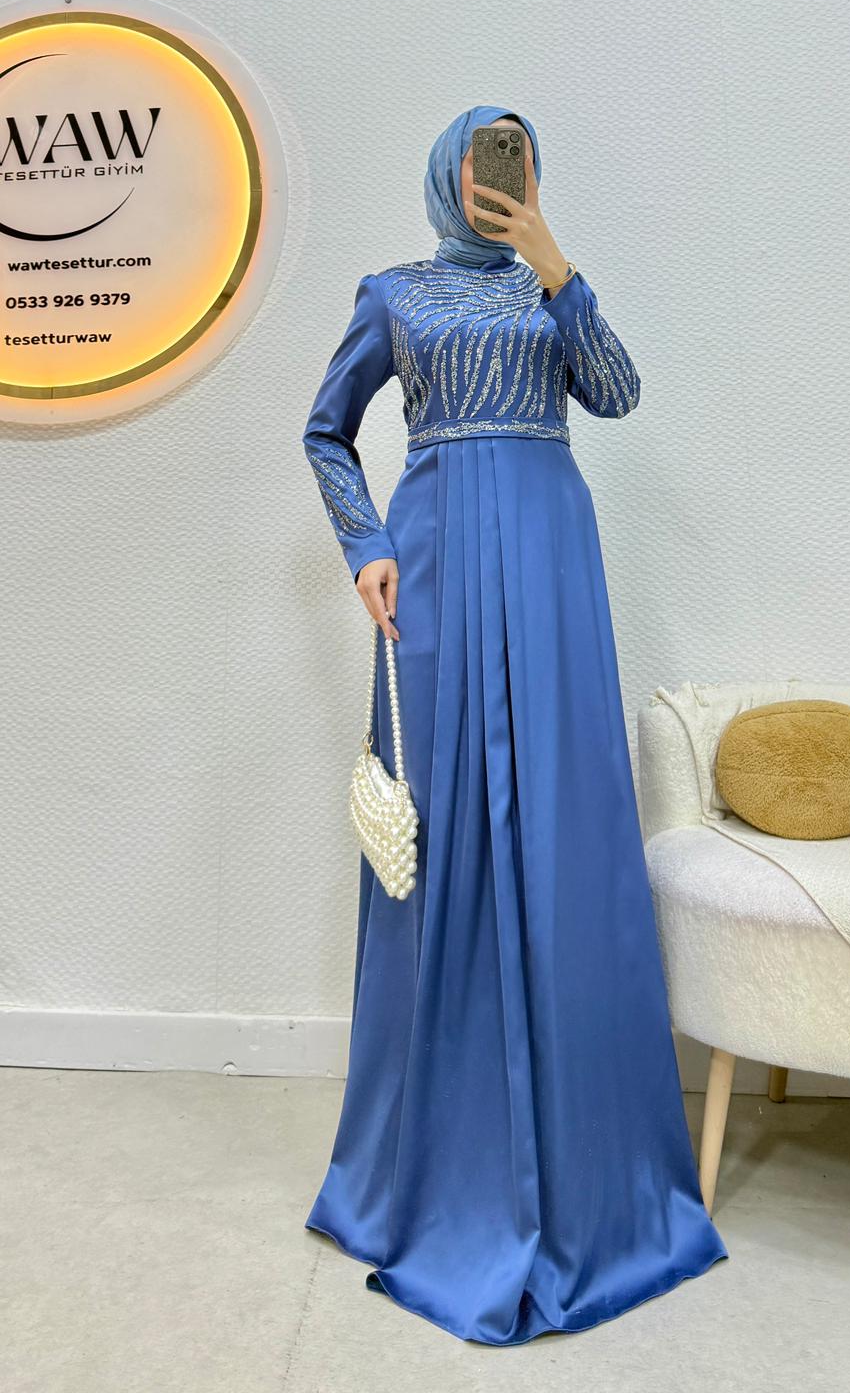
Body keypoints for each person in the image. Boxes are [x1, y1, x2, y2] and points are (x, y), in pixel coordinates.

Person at [301, 105, 728, 1346]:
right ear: (450, 173)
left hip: (549, 560)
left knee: (564, 814)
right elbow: (326, 430)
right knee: (439, 832)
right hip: (434, 565)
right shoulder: (393, 293)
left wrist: (557, 263)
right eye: (490, 159)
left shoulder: (553, 285)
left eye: (522, 158)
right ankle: (432, 1161)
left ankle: (590, 1156)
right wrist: (366, 544)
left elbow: (620, 393)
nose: (506, 176)